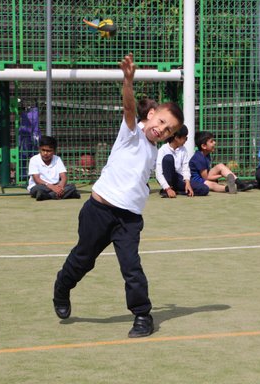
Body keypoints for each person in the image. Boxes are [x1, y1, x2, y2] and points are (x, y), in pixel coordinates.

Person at [53, 53, 184, 338]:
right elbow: (128, 108)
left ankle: (142, 316)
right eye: (161, 121)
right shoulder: (131, 133)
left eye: (168, 129)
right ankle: (62, 286)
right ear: (150, 115)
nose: (161, 129)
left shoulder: (154, 149)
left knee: (131, 267)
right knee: (83, 259)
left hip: (129, 220)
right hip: (98, 211)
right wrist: (128, 81)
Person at [189, 131, 253, 193]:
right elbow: (206, 178)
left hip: (205, 176)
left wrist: (222, 173)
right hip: (197, 181)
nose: (215, 143)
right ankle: (229, 188)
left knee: (220, 166)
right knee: (212, 185)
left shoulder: (206, 154)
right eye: (211, 141)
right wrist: (221, 175)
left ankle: (240, 184)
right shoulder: (199, 158)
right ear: (204, 146)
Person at [155, 124, 209, 197]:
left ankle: (177, 191)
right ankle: (167, 190)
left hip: (178, 178)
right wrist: (167, 188)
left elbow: (185, 168)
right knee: (168, 158)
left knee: (204, 189)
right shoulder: (163, 150)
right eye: (185, 138)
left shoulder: (183, 150)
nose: (186, 141)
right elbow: (158, 173)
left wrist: (187, 182)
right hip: (166, 178)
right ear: (177, 138)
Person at [27, 136, 80, 200]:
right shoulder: (34, 159)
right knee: (37, 189)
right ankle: (66, 194)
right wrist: (52, 187)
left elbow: (64, 177)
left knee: (72, 187)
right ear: (39, 149)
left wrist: (60, 187)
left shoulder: (57, 159)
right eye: (43, 150)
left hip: (56, 185)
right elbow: (37, 180)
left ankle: (47, 196)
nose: (45, 153)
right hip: (42, 186)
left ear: (54, 151)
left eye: (49, 151)